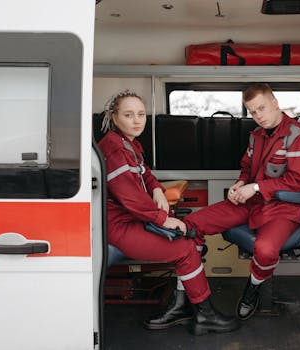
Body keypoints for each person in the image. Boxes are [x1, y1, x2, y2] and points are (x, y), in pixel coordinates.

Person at [146, 83, 300, 324]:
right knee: (189, 225)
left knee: (266, 250)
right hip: (251, 202)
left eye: (262, 108)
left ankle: (254, 287)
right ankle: (184, 299)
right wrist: (240, 184)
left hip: (284, 208)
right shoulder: (256, 136)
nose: (258, 116)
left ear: (275, 103)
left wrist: (256, 187)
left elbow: (298, 182)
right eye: (253, 111)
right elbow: (247, 167)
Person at [97, 90, 239, 335]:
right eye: (128, 115)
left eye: (141, 114)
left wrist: (157, 190)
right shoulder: (114, 149)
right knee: (185, 250)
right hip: (119, 226)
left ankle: (184, 306)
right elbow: (130, 199)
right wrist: (164, 219)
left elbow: (146, 175)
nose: (137, 120)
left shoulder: (128, 143)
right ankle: (205, 315)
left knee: (189, 238)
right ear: (115, 117)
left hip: (133, 220)